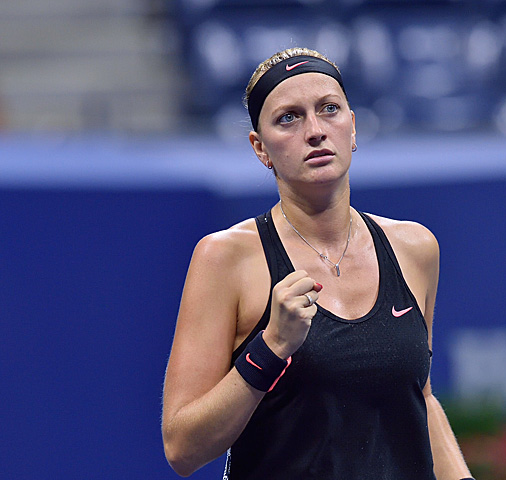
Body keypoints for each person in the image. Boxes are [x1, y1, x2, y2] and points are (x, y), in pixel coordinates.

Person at [162, 47, 474, 480]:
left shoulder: (415, 247)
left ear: (353, 127)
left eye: (329, 109)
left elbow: (420, 397)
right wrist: (270, 348)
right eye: (288, 118)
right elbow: (182, 448)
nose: (315, 131)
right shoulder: (225, 258)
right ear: (260, 148)